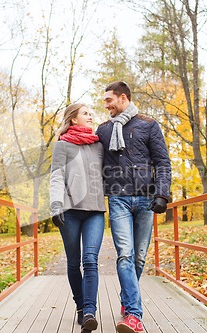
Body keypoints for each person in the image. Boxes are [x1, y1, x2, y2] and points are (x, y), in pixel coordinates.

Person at [96, 81, 171, 333]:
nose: (105, 105)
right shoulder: (104, 130)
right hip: (117, 198)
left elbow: (162, 161)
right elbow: (88, 154)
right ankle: (134, 315)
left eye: (109, 100)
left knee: (139, 257)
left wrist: (162, 193)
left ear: (123, 98)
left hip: (145, 199)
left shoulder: (148, 124)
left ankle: (127, 298)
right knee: (125, 255)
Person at [50, 103, 106, 333]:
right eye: (85, 113)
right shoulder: (62, 146)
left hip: (95, 211)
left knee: (90, 260)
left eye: (91, 113)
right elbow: (56, 177)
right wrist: (55, 205)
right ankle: (81, 307)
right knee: (74, 263)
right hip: (70, 211)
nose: (90, 116)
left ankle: (90, 311)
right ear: (73, 119)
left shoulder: (99, 145)